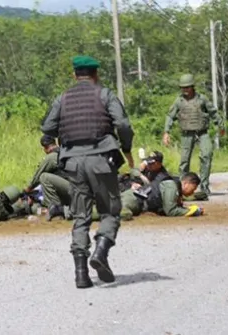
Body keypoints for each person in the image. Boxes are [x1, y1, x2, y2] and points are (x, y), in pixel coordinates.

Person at [41, 55, 135, 289]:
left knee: (80, 216)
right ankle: (101, 252)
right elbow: (123, 124)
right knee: (110, 211)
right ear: (96, 74)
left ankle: (81, 274)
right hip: (101, 160)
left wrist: (56, 146)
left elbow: (47, 130)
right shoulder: (105, 94)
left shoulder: (63, 98)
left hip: (73, 163)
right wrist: (126, 147)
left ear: (75, 75)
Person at [162, 73, 224, 196]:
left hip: (202, 133)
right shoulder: (179, 101)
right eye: (183, 88)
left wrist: (220, 125)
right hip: (186, 134)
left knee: (206, 155)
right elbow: (170, 116)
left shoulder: (202, 99)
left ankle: (204, 186)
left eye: (187, 87)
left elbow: (213, 112)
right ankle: (182, 187)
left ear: (192, 87)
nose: (185, 90)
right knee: (184, 161)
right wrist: (166, 132)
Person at [23, 134, 71, 221]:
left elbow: (36, 178)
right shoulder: (64, 153)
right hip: (75, 188)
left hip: (72, 189)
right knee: (37, 207)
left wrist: (27, 190)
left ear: (45, 148)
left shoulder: (52, 157)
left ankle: (56, 211)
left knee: (44, 177)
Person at [120, 172, 204, 220]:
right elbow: (170, 211)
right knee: (123, 214)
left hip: (134, 199)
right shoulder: (171, 186)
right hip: (133, 199)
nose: (193, 192)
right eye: (193, 188)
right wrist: (191, 211)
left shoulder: (174, 187)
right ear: (186, 183)